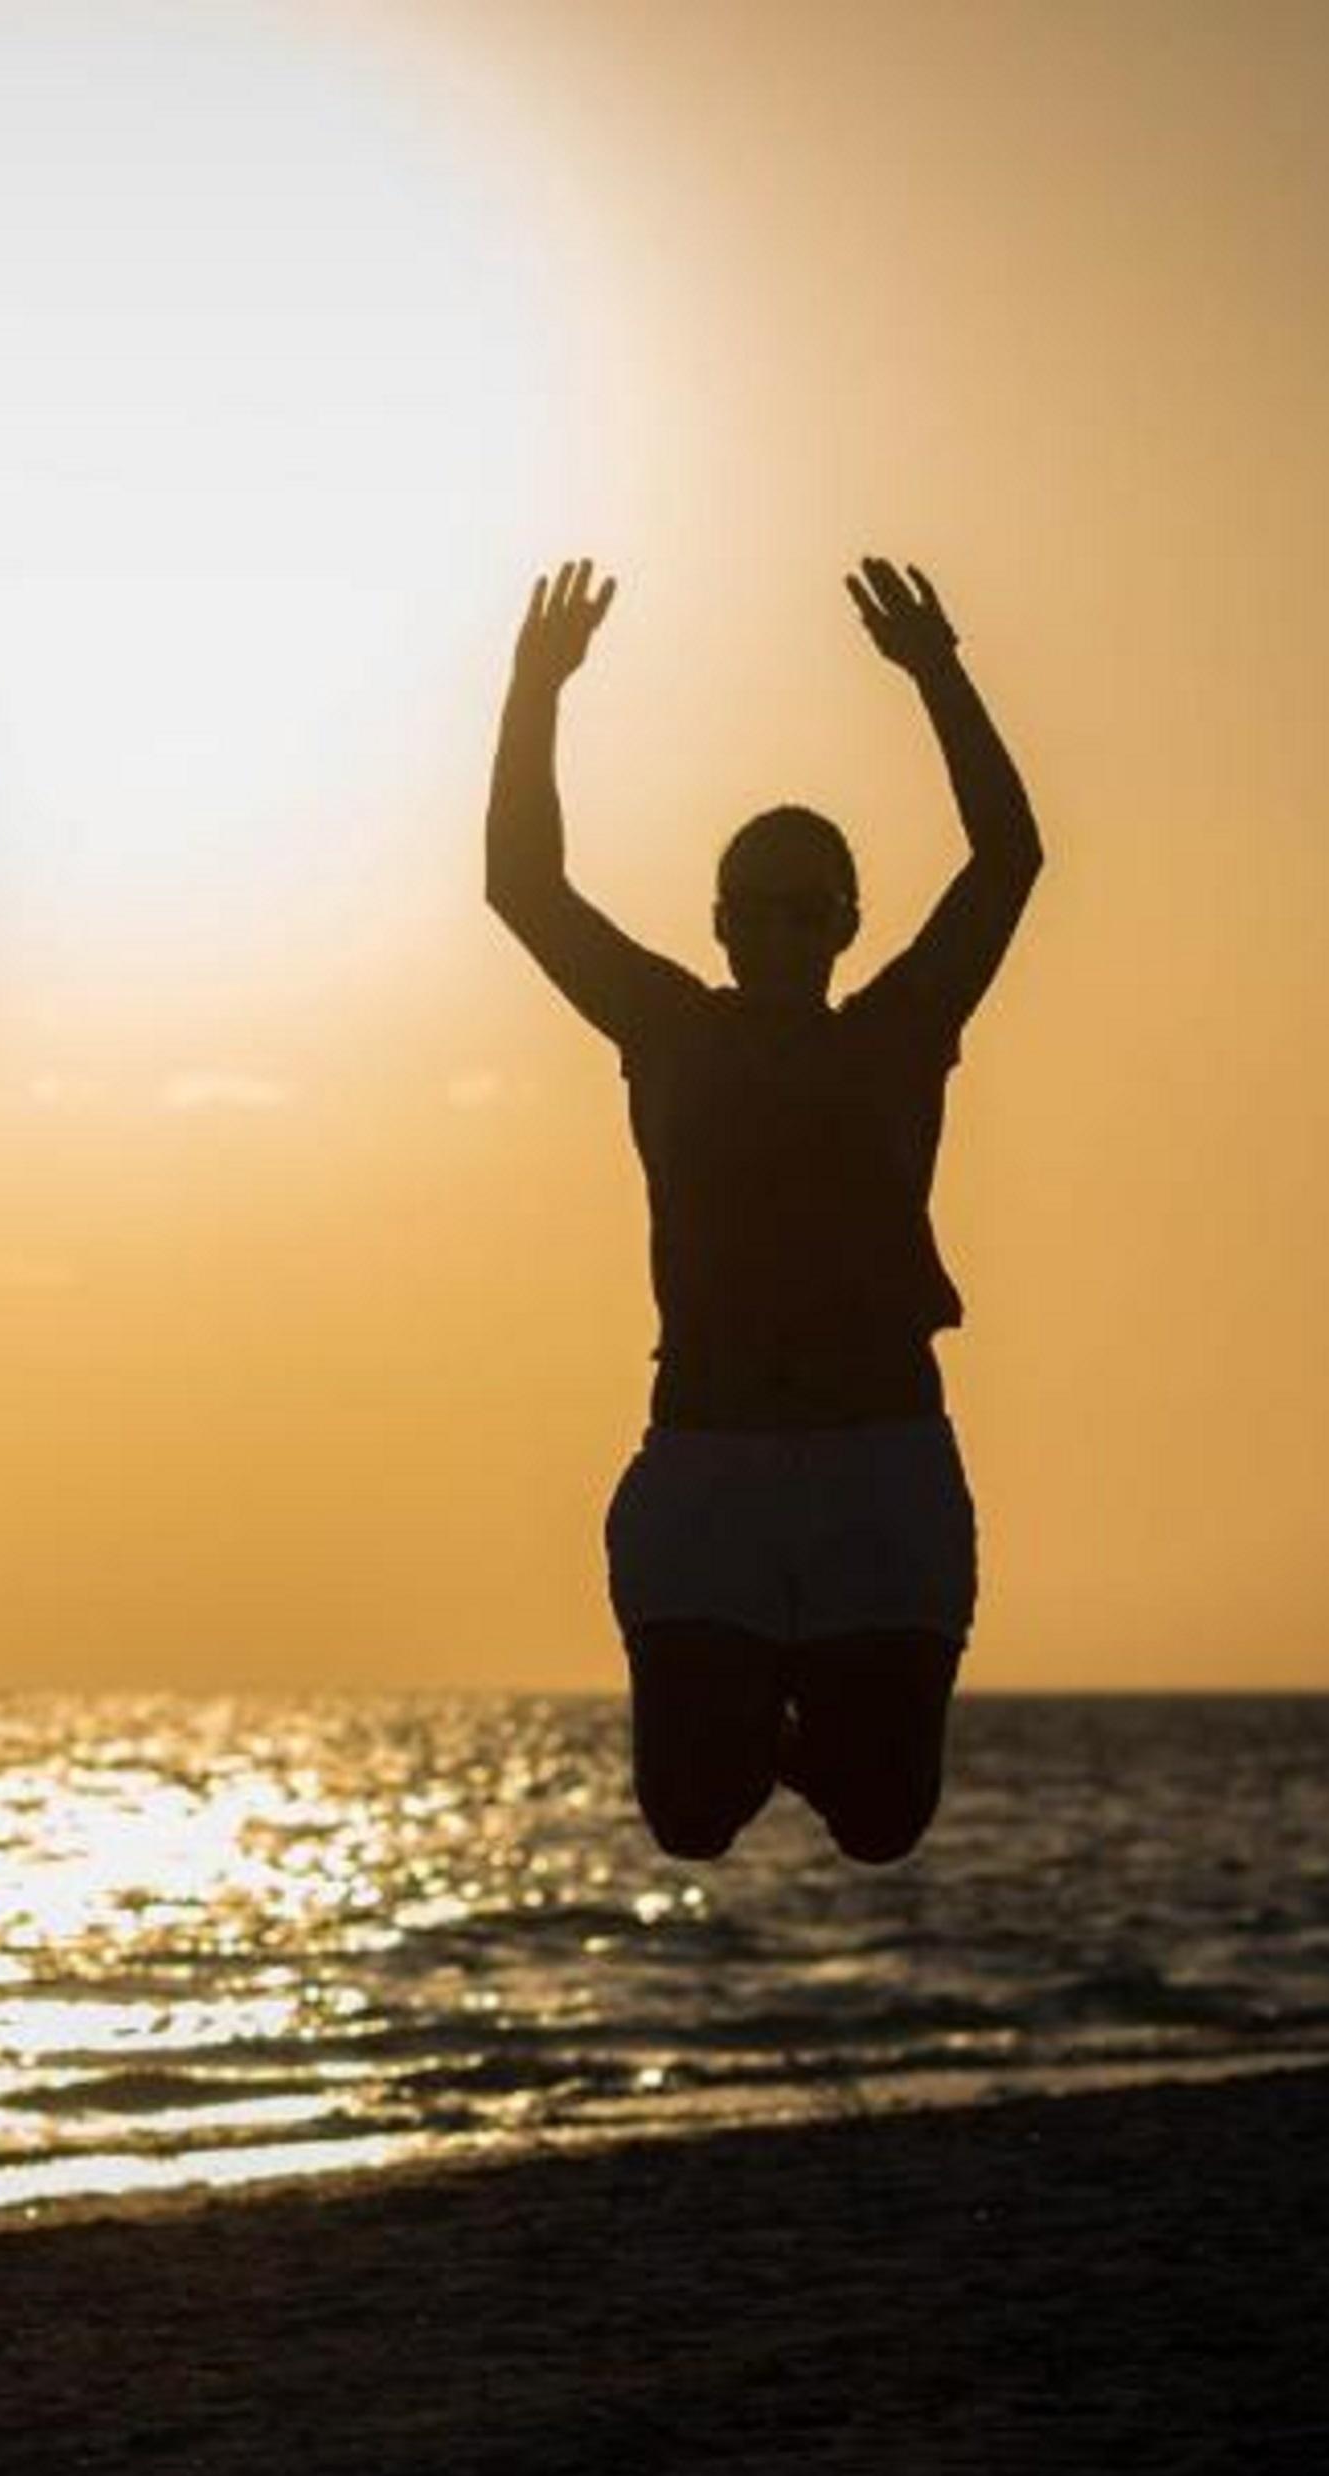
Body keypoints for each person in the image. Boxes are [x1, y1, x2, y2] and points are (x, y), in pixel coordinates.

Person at [483, 557, 1042, 1863]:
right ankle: (748, 1699)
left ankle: (806, 1705)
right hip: (711, 1458)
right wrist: (534, 688)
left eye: (813, 909)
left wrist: (938, 675)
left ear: (845, 923)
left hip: (879, 1456)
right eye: (761, 910)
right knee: (689, 1818)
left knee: (884, 1822)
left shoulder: (901, 1031)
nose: (786, 932)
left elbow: (1007, 859)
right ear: (724, 924)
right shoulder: (669, 1029)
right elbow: (523, 884)